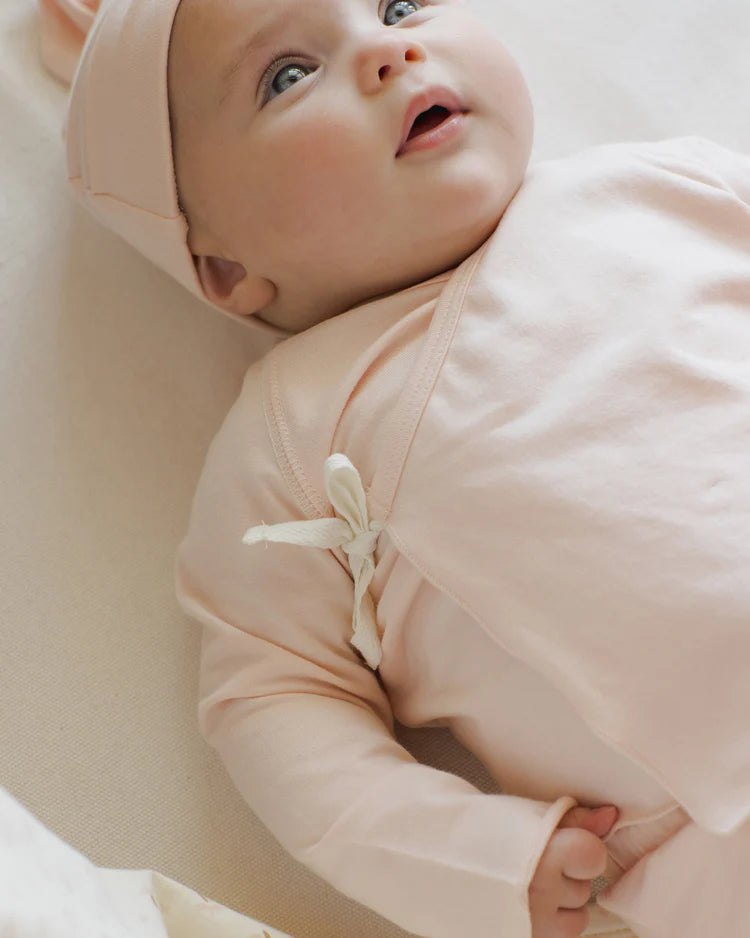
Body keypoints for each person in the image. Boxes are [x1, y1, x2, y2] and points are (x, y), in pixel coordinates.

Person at [57, 0, 750, 936]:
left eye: (398, 5)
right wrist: (467, 856)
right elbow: (274, 699)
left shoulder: (663, 185)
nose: (389, 50)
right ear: (221, 266)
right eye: (287, 76)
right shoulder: (297, 429)